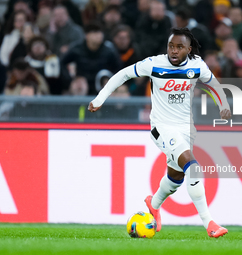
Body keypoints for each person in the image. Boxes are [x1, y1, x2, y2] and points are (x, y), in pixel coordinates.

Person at [88, 27, 231, 238]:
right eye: (171, 46)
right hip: (162, 127)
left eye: (179, 47)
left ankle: (153, 204)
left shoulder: (197, 66)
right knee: (191, 166)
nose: (173, 51)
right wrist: (99, 99)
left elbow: (214, 85)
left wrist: (223, 105)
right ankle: (209, 222)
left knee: (176, 176)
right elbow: (124, 74)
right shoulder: (154, 64)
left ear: (189, 49)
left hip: (186, 128)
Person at [61, 22, 122, 95]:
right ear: (86, 35)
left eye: (100, 32)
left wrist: (109, 79)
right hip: (82, 85)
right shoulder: (77, 49)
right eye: (95, 32)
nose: (99, 35)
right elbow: (62, 63)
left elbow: (119, 68)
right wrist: (70, 80)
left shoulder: (109, 50)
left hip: (102, 84)